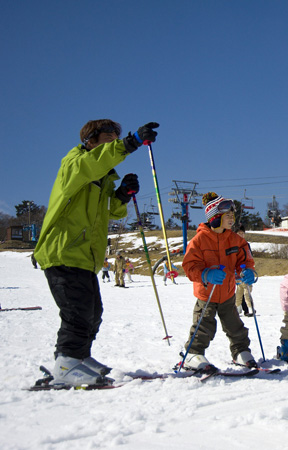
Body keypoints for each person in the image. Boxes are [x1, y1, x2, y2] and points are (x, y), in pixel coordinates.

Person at [33, 118, 159, 387]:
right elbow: (94, 162)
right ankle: (66, 362)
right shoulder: (75, 164)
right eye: (108, 136)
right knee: (76, 312)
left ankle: (78, 357)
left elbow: (111, 211)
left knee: (93, 312)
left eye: (117, 135)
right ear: (90, 140)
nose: (114, 138)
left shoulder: (102, 177)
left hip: (85, 256)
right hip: (63, 250)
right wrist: (131, 142)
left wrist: (123, 194)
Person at [180, 193, 258, 371]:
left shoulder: (236, 240)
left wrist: (247, 270)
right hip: (207, 294)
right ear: (215, 217)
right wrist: (206, 274)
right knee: (204, 325)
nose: (232, 219)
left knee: (235, 325)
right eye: (227, 216)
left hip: (228, 293)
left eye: (233, 216)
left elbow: (244, 259)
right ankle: (193, 353)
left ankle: (241, 351)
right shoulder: (199, 240)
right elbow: (189, 266)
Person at [234, 225, 254, 316]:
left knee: (246, 292)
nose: (241, 235)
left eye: (242, 233)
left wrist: (250, 268)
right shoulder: (233, 244)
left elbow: (250, 258)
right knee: (239, 292)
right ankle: (238, 309)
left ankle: (249, 309)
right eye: (239, 233)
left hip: (245, 270)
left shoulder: (246, 244)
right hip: (236, 271)